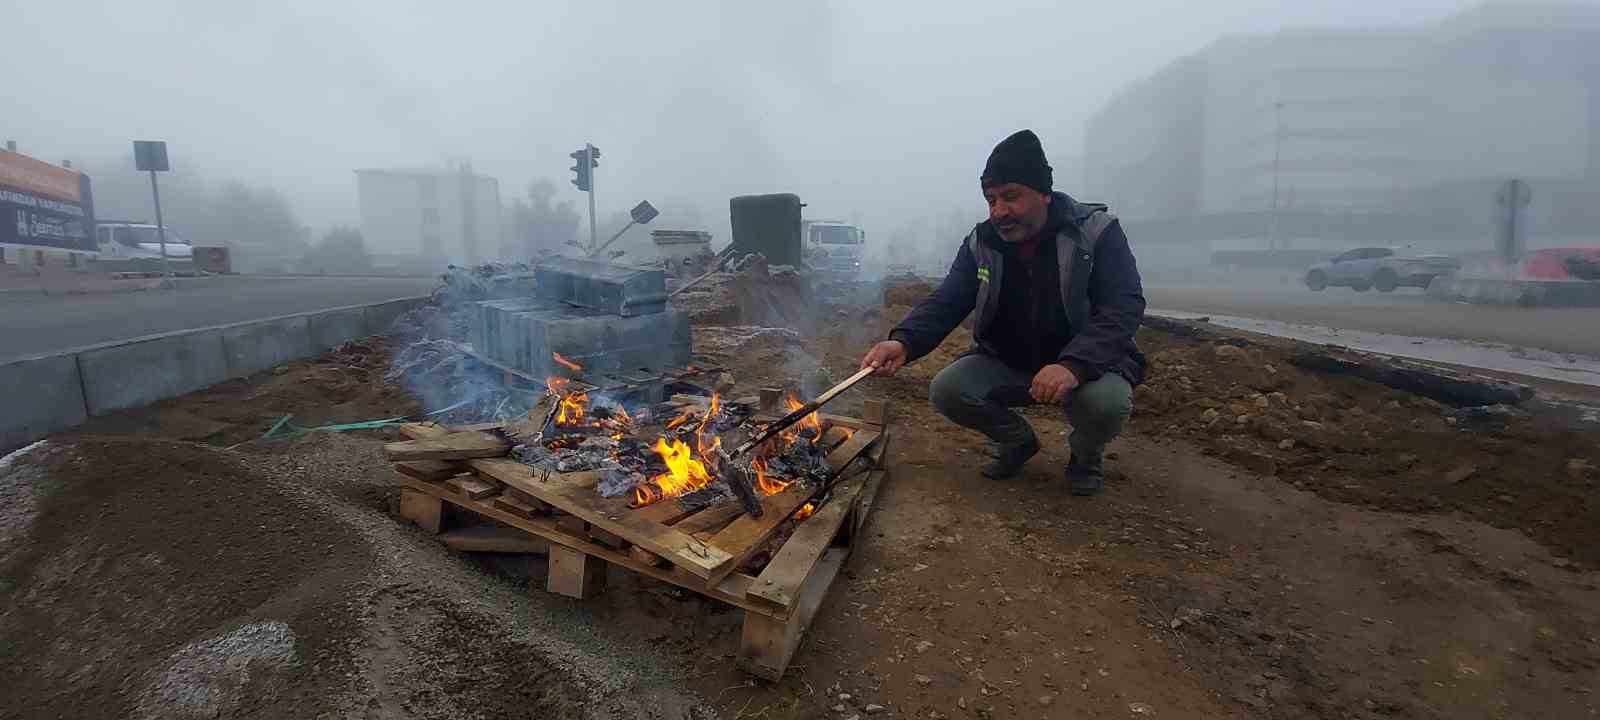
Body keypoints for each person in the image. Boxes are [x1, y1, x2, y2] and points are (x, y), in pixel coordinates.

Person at [860, 129, 1146, 495]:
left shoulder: (1095, 233)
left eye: (1011, 197)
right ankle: (1016, 441)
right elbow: (948, 300)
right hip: (1011, 360)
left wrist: (1073, 365)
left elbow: (1124, 307)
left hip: (1085, 365)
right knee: (948, 390)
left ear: (1044, 193)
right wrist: (902, 342)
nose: (999, 211)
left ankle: (1086, 455)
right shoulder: (982, 242)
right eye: (991, 199)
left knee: (1107, 403)